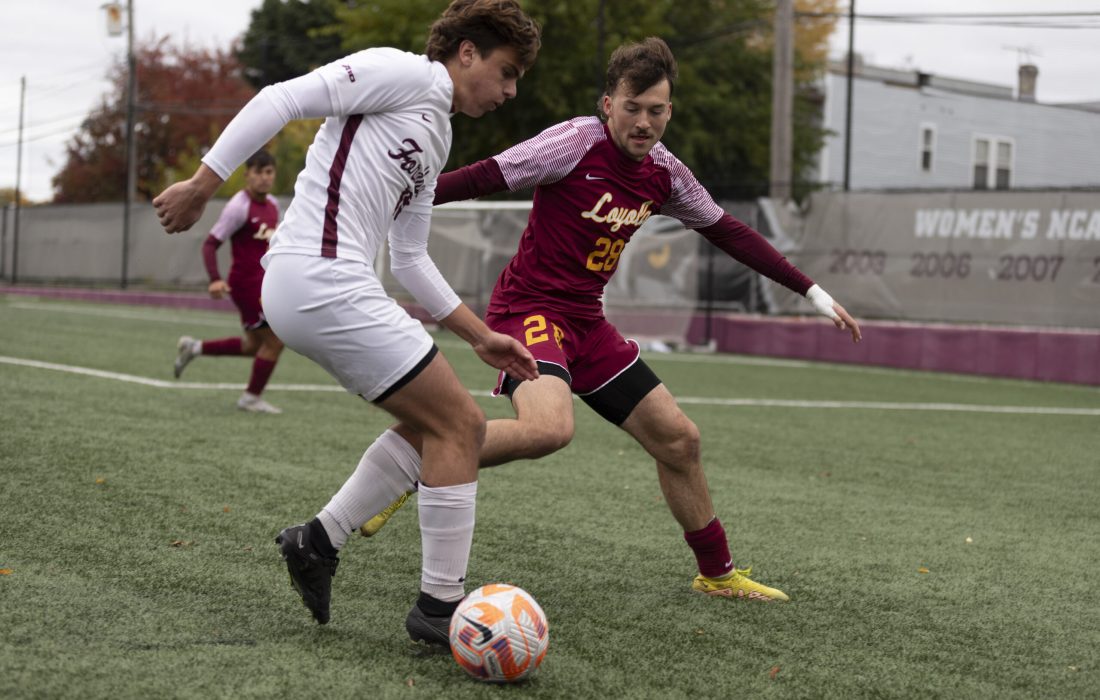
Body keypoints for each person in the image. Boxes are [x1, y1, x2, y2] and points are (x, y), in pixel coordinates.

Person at [355, 37, 863, 604]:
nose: (644, 123)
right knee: (550, 429)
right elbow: (480, 178)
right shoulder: (573, 143)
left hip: (587, 325)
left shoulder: (666, 174)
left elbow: (729, 231)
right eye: (632, 107)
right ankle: (428, 460)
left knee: (680, 440)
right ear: (608, 104)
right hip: (529, 311)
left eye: (657, 110)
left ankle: (717, 574)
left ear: (670, 111)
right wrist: (390, 200)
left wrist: (811, 290)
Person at [152, 0, 541, 644]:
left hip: (326, 284)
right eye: (506, 71)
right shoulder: (403, 70)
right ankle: (438, 609)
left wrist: (480, 336)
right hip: (319, 275)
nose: (510, 89)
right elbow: (280, 99)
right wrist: (203, 182)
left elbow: (409, 257)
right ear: (466, 52)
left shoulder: (438, 134)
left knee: (434, 425)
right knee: (463, 424)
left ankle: (317, 542)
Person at [173, 149, 286, 414]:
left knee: (252, 346)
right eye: (258, 172)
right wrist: (214, 279)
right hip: (245, 285)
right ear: (247, 175)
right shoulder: (239, 206)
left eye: (269, 172)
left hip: (264, 284)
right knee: (275, 341)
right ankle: (250, 398)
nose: (264, 178)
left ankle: (194, 347)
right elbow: (211, 244)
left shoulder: (273, 205)